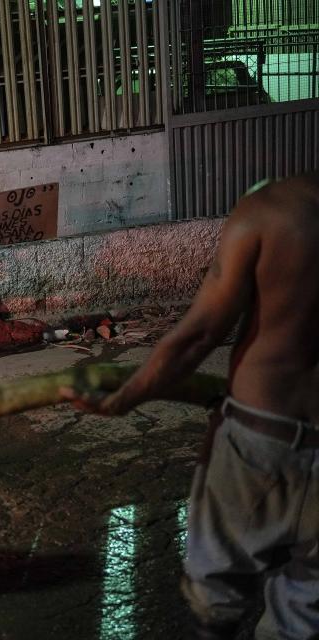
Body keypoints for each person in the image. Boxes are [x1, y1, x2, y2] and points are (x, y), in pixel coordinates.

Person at [61, 173, 319, 639]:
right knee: (303, 612)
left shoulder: (269, 208)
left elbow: (199, 334)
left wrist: (126, 397)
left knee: (215, 601)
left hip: (258, 439)